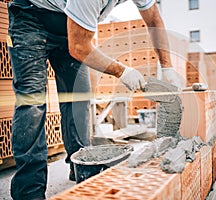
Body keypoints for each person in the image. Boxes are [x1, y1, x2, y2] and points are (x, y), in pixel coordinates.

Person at [7, 0, 180, 199]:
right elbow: (79, 47)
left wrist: (167, 66)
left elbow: (153, 19)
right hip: (30, 17)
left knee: (79, 101)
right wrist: (122, 71)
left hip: (69, 22)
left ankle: (80, 165)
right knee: (32, 103)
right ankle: (29, 190)